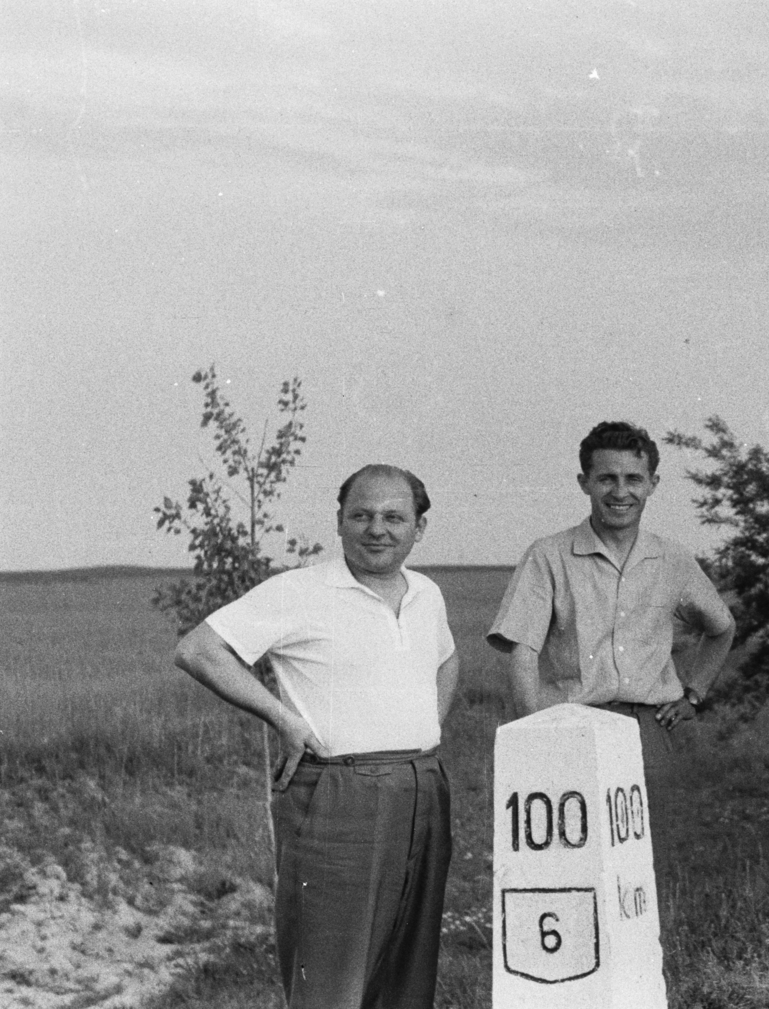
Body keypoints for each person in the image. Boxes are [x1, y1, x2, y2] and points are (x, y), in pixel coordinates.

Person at [174, 464, 457, 1009]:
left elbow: (448, 660)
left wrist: (427, 724)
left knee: (407, 969)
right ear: (340, 522)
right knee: (329, 974)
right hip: (338, 794)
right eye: (362, 515)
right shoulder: (300, 590)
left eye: (394, 517)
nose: (377, 529)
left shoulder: (427, 592)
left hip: (422, 786)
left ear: (419, 528)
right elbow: (198, 650)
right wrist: (284, 719)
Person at [486, 421, 735, 781]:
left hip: (647, 731)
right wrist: (535, 736)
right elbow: (523, 656)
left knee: (650, 837)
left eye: (633, 479)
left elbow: (722, 628)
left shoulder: (673, 559)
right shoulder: (548, 555)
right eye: (607, 479)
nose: (621, 492)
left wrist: (694, 694)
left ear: (653, 484)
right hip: (570, 728)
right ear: (584, 482)